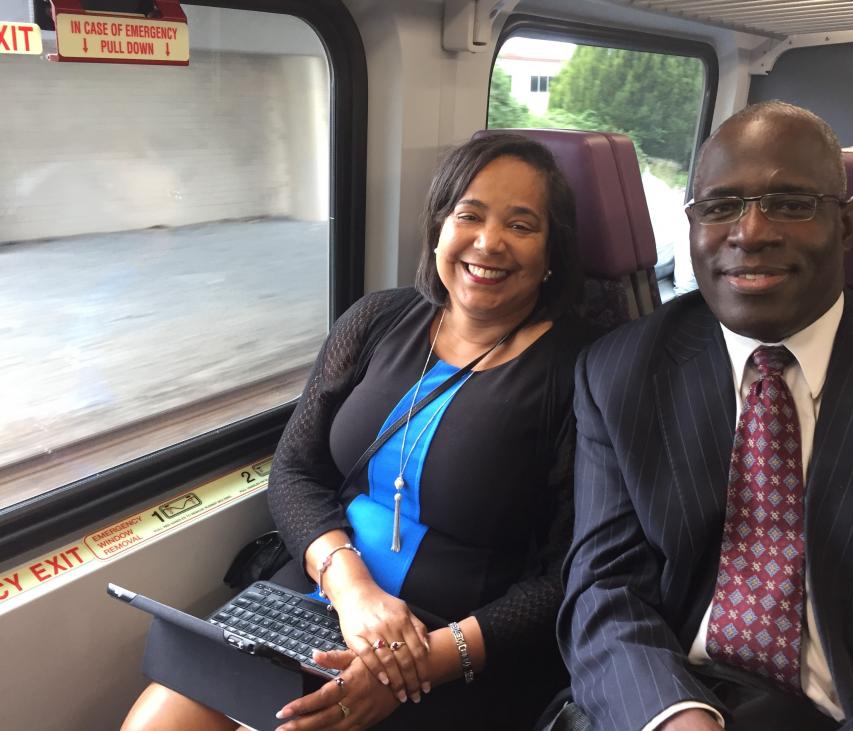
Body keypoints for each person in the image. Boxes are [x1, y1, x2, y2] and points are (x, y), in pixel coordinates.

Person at [121, 132, 593, 730]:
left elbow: (570, 572)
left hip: (457, 641)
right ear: (438, 230)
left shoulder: (584, 371)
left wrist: (415, 666)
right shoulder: (376, 319)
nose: (488, 242)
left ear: (553, 251)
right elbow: (294, 470)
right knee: (160, 719)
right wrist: (350, 587)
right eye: (468, 215)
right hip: (325, 590)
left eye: (522, 225)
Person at [558, 101, 853, 730]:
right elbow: (603, 590)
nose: (750, 233)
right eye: (721, 207)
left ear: (847, 224)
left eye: (790, 203)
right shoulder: (620, 372)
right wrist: (672, 716)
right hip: (669, 697)